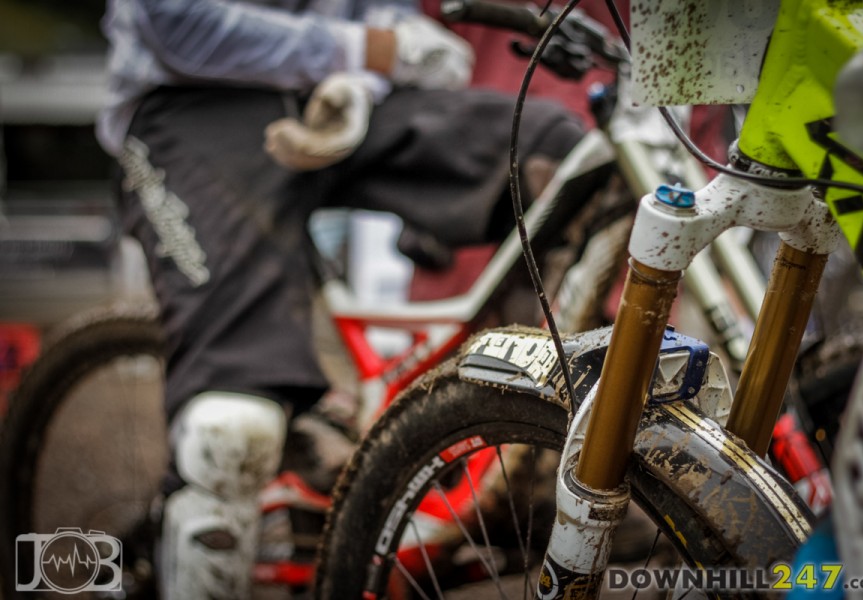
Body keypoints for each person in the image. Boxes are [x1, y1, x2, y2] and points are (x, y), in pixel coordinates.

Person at [95, 0, 584, 598]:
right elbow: (175, 23)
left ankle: (519, 458)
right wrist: (367, 51)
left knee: (561, 156)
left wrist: (371, 66)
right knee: (233, 428)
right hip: (198, 102)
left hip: (344, 94)